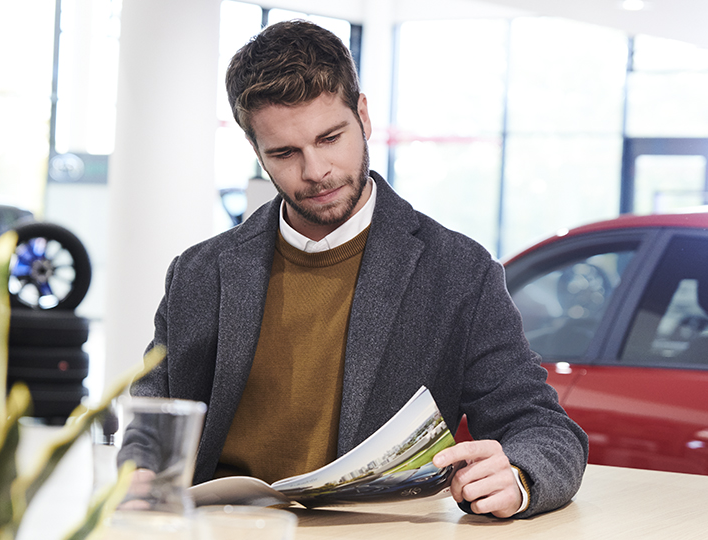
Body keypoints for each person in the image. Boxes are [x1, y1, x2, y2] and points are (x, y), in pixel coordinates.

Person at [122, 19, 588, 519]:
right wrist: (141, 470)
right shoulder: (198, 272)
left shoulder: (457, 271)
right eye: (284, 152)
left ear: (362, 115)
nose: (315, 170)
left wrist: (518, 475)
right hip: (221, 528)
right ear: (256, 151)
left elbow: (544, 428)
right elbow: (152, 423)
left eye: (330, 137)